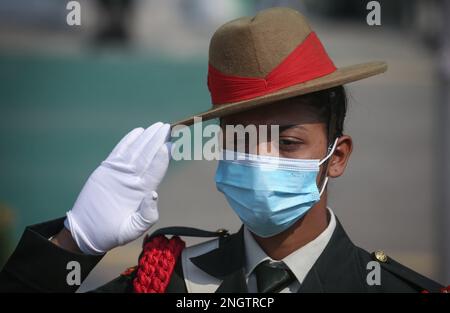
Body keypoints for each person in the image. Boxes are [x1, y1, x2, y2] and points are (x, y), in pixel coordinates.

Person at [0, 7, 446, 293]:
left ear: (338, 155)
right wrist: (71, 245)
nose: (263, 160)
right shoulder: (166, 283)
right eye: (241, 141)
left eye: (289, 143)